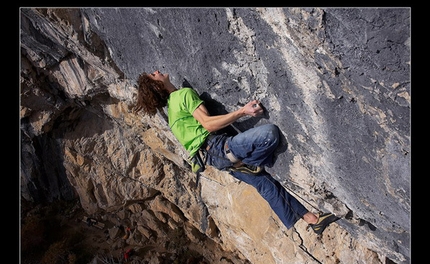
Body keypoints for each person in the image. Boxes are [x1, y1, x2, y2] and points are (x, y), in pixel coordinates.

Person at [133, 70, 339, 235]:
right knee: (269, 133)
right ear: (156, 85)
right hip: (219, 149)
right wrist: (242, 111)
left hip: (216, 159)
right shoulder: (181, 96)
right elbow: (208, 124)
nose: (157, 71)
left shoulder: (171, 113)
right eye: (153, 75)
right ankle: (250, 163)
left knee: (265, 184)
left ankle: (313, 221)